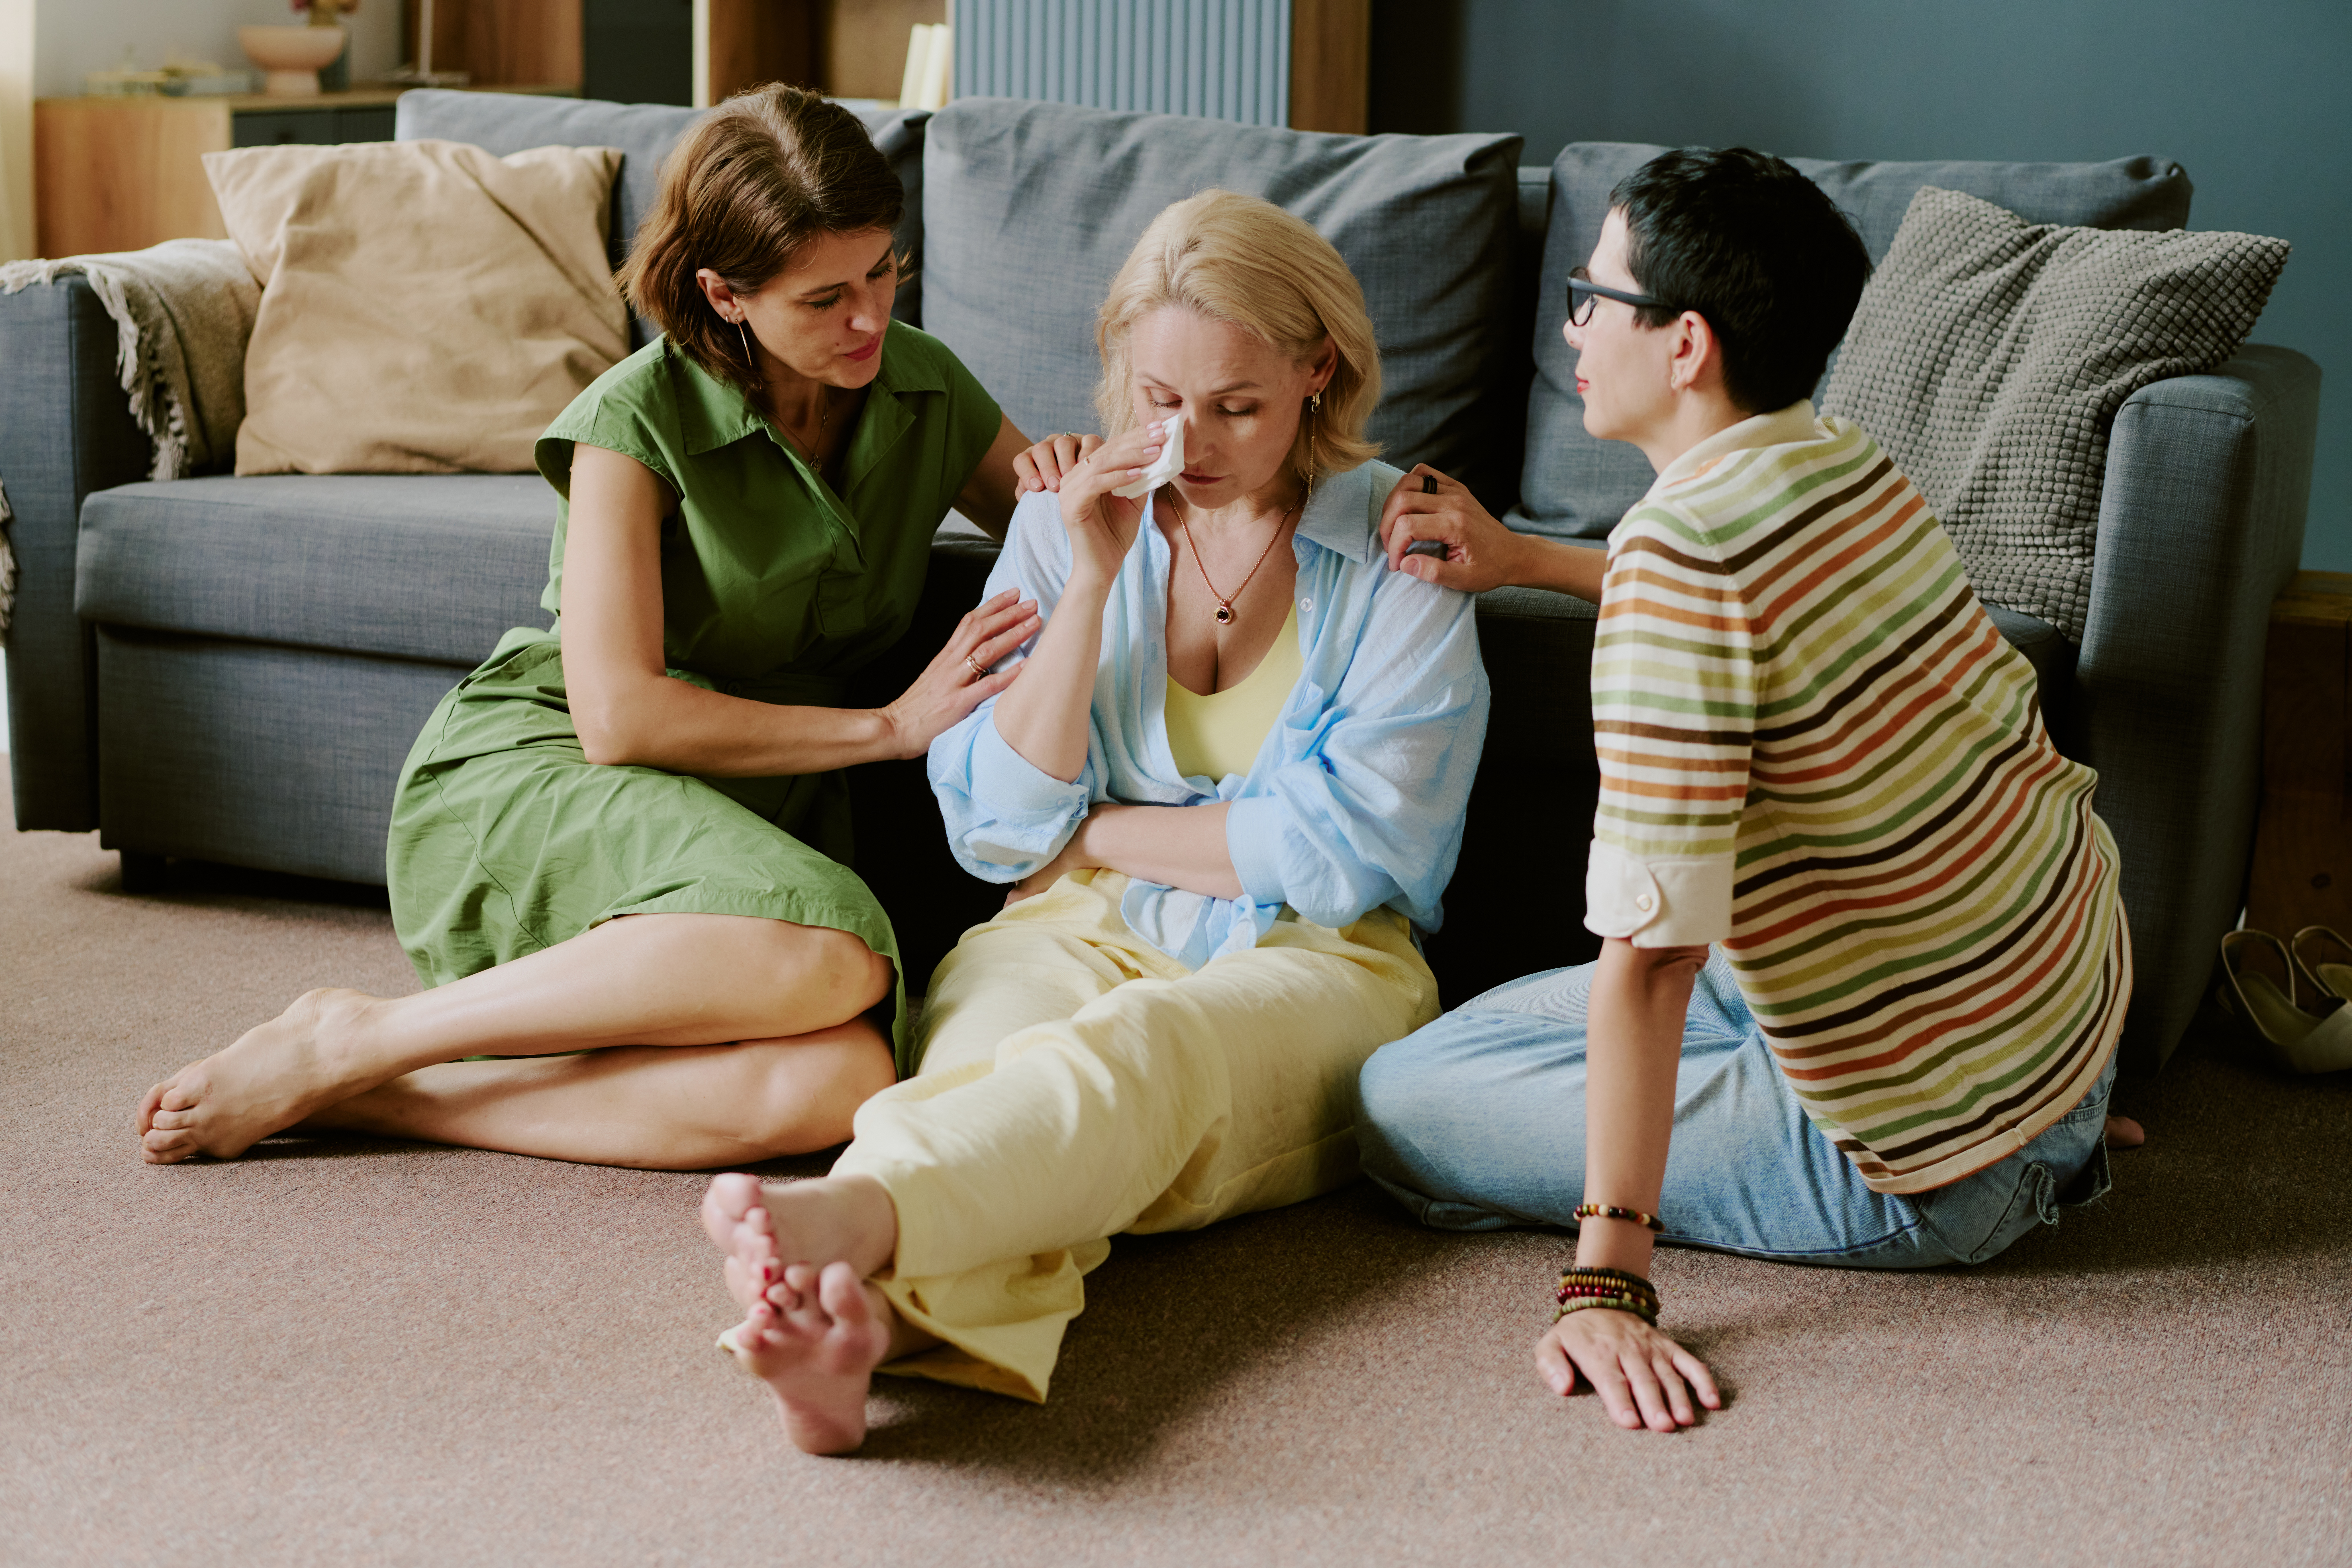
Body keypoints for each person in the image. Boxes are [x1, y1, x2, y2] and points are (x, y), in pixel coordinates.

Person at [1353, 147, 2136, 1434]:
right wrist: (1527, 559)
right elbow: (1733, 602)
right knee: (1460, 1038)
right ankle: (2031, 1092)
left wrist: (1608, 1275)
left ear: (1686, 344)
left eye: (1596, 297)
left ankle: (2001, 1138)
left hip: (1941, 1172)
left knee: (1394, 1103)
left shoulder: (1682, 558)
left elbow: (1654, 958)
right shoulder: (1835, 457)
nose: (1575, 327)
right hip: (2056, 1021)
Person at [698, 189, 1490, 1453]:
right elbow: (1003, 836)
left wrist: (1100, 831)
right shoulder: (1066, 525)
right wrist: (1092, 579)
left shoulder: (1404, 544)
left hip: (1319, 957)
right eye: (1161, 399)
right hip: (1065, 917)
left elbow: (1346, 853)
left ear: (1316, 369)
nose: (1193, 438)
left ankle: (857, 1219)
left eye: (1237, 405)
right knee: (982, 1068)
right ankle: (864, 1335)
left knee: (1142, 1047)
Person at [135, 86, 1047, 1169]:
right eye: (823, 298)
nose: (870, 320)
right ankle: (368, 1030)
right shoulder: (634, 420)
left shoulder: (923, 385)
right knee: (840, 959)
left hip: (742, 816)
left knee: (842, 1081)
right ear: (725, 295)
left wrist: (1106, 485)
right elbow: (619, 718)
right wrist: (891, 729)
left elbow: (1068, 541)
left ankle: (382, 1094)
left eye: (884, 272)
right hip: (554, 770)